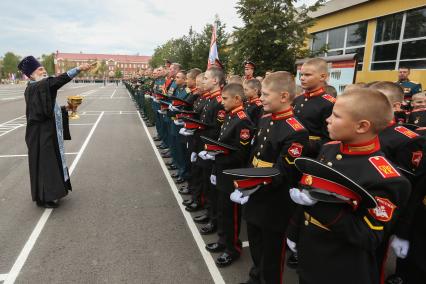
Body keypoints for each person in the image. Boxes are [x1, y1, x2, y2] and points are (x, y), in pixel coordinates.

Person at [287, 88, 411, 284]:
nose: (327, 119)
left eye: (336, 115)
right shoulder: (328, 149)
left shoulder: (386, 178)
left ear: (361, 126)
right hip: (310, 251)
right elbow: (307, 194)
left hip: (341, 266)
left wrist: (319, 205)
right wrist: (294, 231)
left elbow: (368, 236)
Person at [232, 71, 309, 284]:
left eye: (266, 94)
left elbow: (283, 171)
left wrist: (252, 185)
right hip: (256, 195)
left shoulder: (296, 131)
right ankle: (255, 278)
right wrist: (243, 183)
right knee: (256, 244)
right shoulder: (266, 119)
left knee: (272, 254)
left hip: (274, 202)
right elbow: (254, 156)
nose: (261, 98)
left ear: (284, 97)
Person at [18, 56, 93, 208]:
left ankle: (48, 194)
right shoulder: (37, 86)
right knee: (46, 164)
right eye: (40, 69)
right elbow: (58, 81)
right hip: (40, 134)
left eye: (43, 68)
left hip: (43, 131)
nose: (43, 70)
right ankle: (46, 198)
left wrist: (65, 109)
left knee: (48, 163)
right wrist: (78, 69)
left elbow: (47, 109)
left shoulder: (35, 87)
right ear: (31, 75)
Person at [293, 58, 335, 158]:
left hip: (312, 156)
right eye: (301, 75)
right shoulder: (297, 99)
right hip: (292, 152)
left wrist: (305, 145)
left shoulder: (330, 104)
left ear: (322, 77)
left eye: (307, 75)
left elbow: (331, 139)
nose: (302, 78)